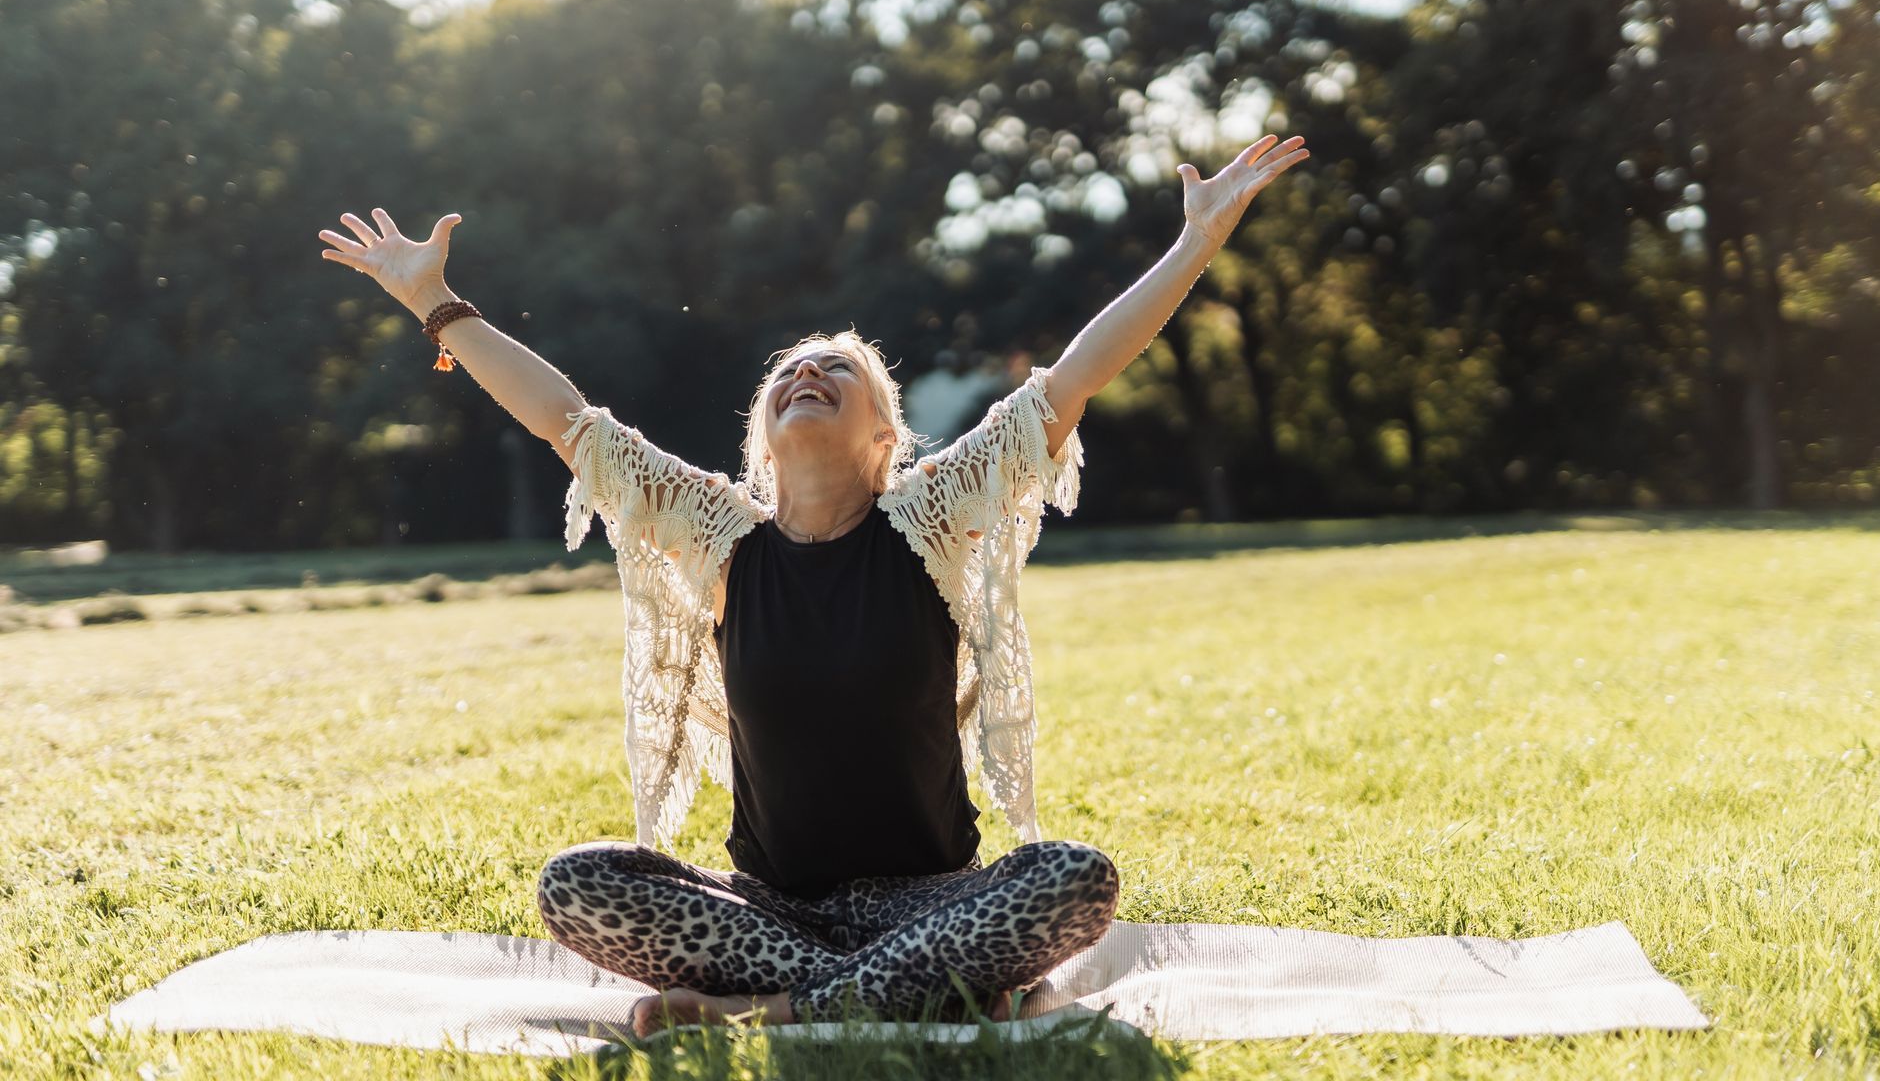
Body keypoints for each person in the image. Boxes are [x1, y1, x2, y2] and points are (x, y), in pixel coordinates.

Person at [317, 133, 1309, 1035]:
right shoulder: (719, 537)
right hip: (769, 907)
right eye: (790, 370)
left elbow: (1074, 377)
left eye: (837, 368)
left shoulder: (929, 518)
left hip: (928, 897)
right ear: (762, 432)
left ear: (887, 435)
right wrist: (434, 304)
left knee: (1075, 882)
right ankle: (890, 988)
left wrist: (1196, 245)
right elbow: (568, 421)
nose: (806, 373)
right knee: (579, 882)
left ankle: (771, 1009)